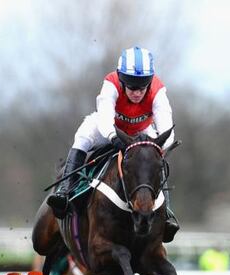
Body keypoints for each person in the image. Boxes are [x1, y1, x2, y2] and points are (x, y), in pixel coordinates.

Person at [46, 46, 180, 242]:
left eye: (142, 86)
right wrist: (114, 137)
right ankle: (65, 191)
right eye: (131, 85)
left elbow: (167, 128)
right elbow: (104, 118)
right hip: (110, 128)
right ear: (121, 78)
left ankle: (166, 212)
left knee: (152, 157)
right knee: (82, 136)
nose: (137, 92)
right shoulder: (111, 83)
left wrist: (157, 145)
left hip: (141, 132)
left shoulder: (158, 91)